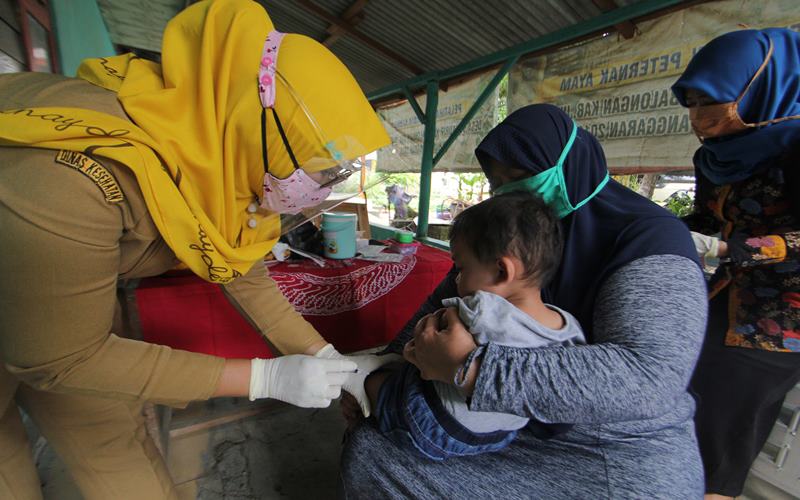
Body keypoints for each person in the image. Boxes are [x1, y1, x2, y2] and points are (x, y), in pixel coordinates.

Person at [0, 0, 393, 498]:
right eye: (321, 167)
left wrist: (329, 357)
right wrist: (263, 378)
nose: (323, 186)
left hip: (66, 303)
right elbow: (63, 360)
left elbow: (245, 272)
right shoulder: (76, 175)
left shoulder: (223, 161)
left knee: (113, 445)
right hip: (34, 293)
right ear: (255, 122)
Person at [340, 103, 708, 498]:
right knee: (371, 447)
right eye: (499, 182)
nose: (507, 193)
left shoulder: (647, 240)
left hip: (615, 445)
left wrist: (473, 370)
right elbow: (442, 302)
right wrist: (394, 362)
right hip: (511, 422)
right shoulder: (507, 232)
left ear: (570, 164)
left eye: (519, 177)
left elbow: (648, 378)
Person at [670, 28, 800, 499]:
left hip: (778, 319)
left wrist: (740, 248)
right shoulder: (714, 158)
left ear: (758, 88)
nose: (700, 116)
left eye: (713, 100)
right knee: (682, 396)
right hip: (721, 299)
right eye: (692, 103)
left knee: (722, 421)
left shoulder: (795, 149)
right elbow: (709, 216)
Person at [359, 191, 585, 460]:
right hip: (497, 437)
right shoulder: (569, 327)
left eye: (461, 268)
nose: (457, 279)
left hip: (434, 424)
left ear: (502, 271)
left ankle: (357, 388)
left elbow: (425, 338)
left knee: (375, 381)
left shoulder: (480, 309)